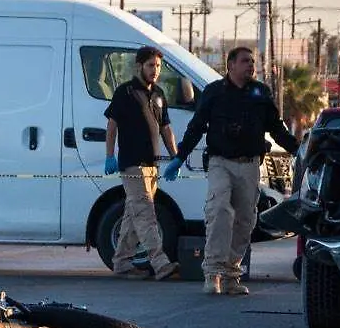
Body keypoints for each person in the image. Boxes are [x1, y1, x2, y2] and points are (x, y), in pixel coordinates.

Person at [163, 46, 299, 296]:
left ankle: (230, 276)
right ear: (231, 65)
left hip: (249, 165)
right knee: (220, 211)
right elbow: (196, 126)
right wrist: (179, 157)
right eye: (245, 61)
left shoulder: (261, 93)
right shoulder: (215, 92)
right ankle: (212, 272)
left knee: (245, 220)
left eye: (253, 61)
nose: (251, 65)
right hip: (220, 162)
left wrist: (298, 149)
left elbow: (277, 128)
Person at [103, 46, 180, 281]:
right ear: (139, 66)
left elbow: (166, 129)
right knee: (146, 214)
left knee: (132, 215)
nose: (155, 70)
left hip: (152, 166)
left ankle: (122, 262)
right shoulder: (125, 92)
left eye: (157, 66)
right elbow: (112, 126)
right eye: (150, 65)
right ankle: (161, 263)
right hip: (132, 165)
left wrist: (176, 157)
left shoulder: (158, 94)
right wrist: (109, 155)